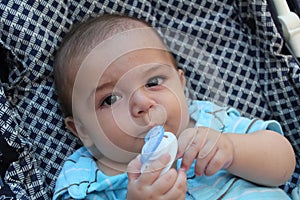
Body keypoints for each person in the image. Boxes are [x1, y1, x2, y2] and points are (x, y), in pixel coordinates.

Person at [52, 14, 296, 199]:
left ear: (181, 85)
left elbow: (284, 165)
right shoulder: (84, 180)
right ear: (81, 129)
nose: (143, 104)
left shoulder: (210, 121)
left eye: (153, 82)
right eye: (110, 99)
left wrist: (232, 150)